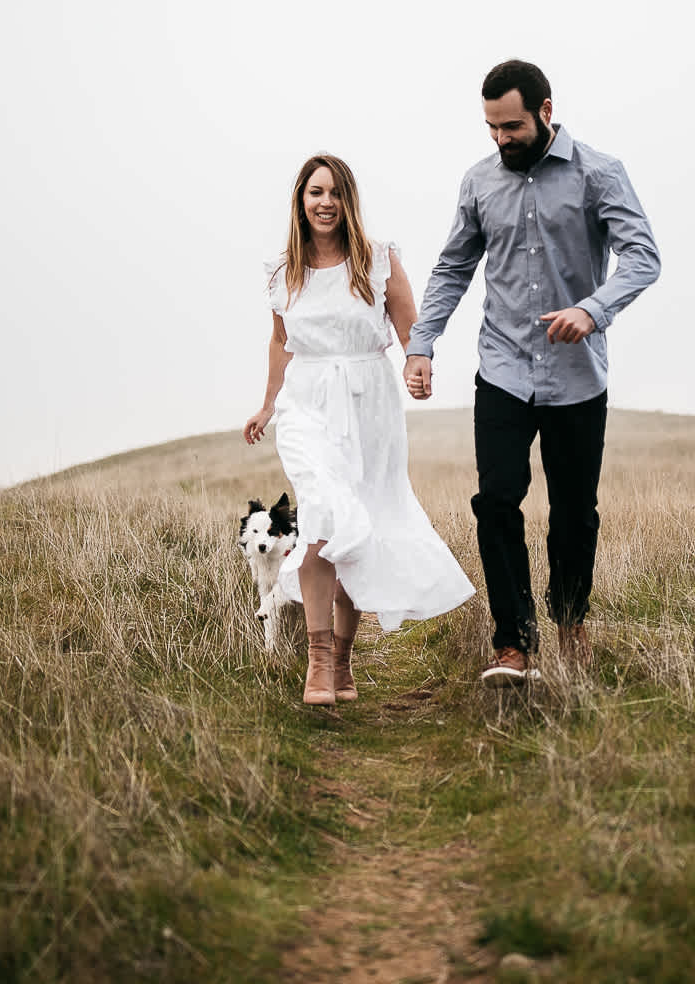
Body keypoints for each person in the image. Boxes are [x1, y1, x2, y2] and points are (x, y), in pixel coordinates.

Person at [404, 60, 661, 685]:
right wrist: (422, 344)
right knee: (496, 502)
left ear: (546, 111)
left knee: (574, 511)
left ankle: (570, 621)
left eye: (512, 126)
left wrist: (591, 310)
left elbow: (643, 257)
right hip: (503, 370)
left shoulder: (600, 174)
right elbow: (452, 269)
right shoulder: (479, 182)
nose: (501, 139)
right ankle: (512, 643)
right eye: (491, 128)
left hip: (577, 378)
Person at [244, 153, 475, 706]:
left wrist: (418, 366)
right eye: (314, 192)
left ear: (349, 201)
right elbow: (282, 342)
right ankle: (318, 663)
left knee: (358, 526)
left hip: (369, 404)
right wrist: (269, 403)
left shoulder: (376, 259)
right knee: (324, 515)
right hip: (307, 406)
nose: (325, 202)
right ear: (300, 200)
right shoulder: (283, 272)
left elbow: (408, 326)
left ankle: (343, 662)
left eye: (335, 193)